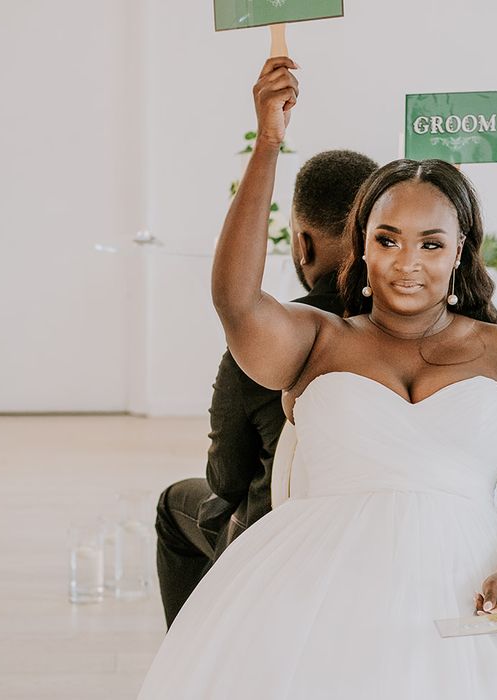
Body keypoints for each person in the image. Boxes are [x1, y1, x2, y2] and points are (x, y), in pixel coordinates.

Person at [139, 58, 497, 698]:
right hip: (320, 582)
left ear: (459, 251)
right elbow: (235, 300)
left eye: (430, 243)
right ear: (362, 244)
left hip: (475, 583)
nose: (406, 264)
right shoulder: (318, 342)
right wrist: (268, 144)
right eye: (388, 239)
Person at [155, 149, 379, 627]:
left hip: (284, 550)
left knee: (177, 504)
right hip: (390, 542)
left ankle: (192, 661)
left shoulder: (270, 338)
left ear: (302, 243)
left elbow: (226, 480)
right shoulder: (428, 333)